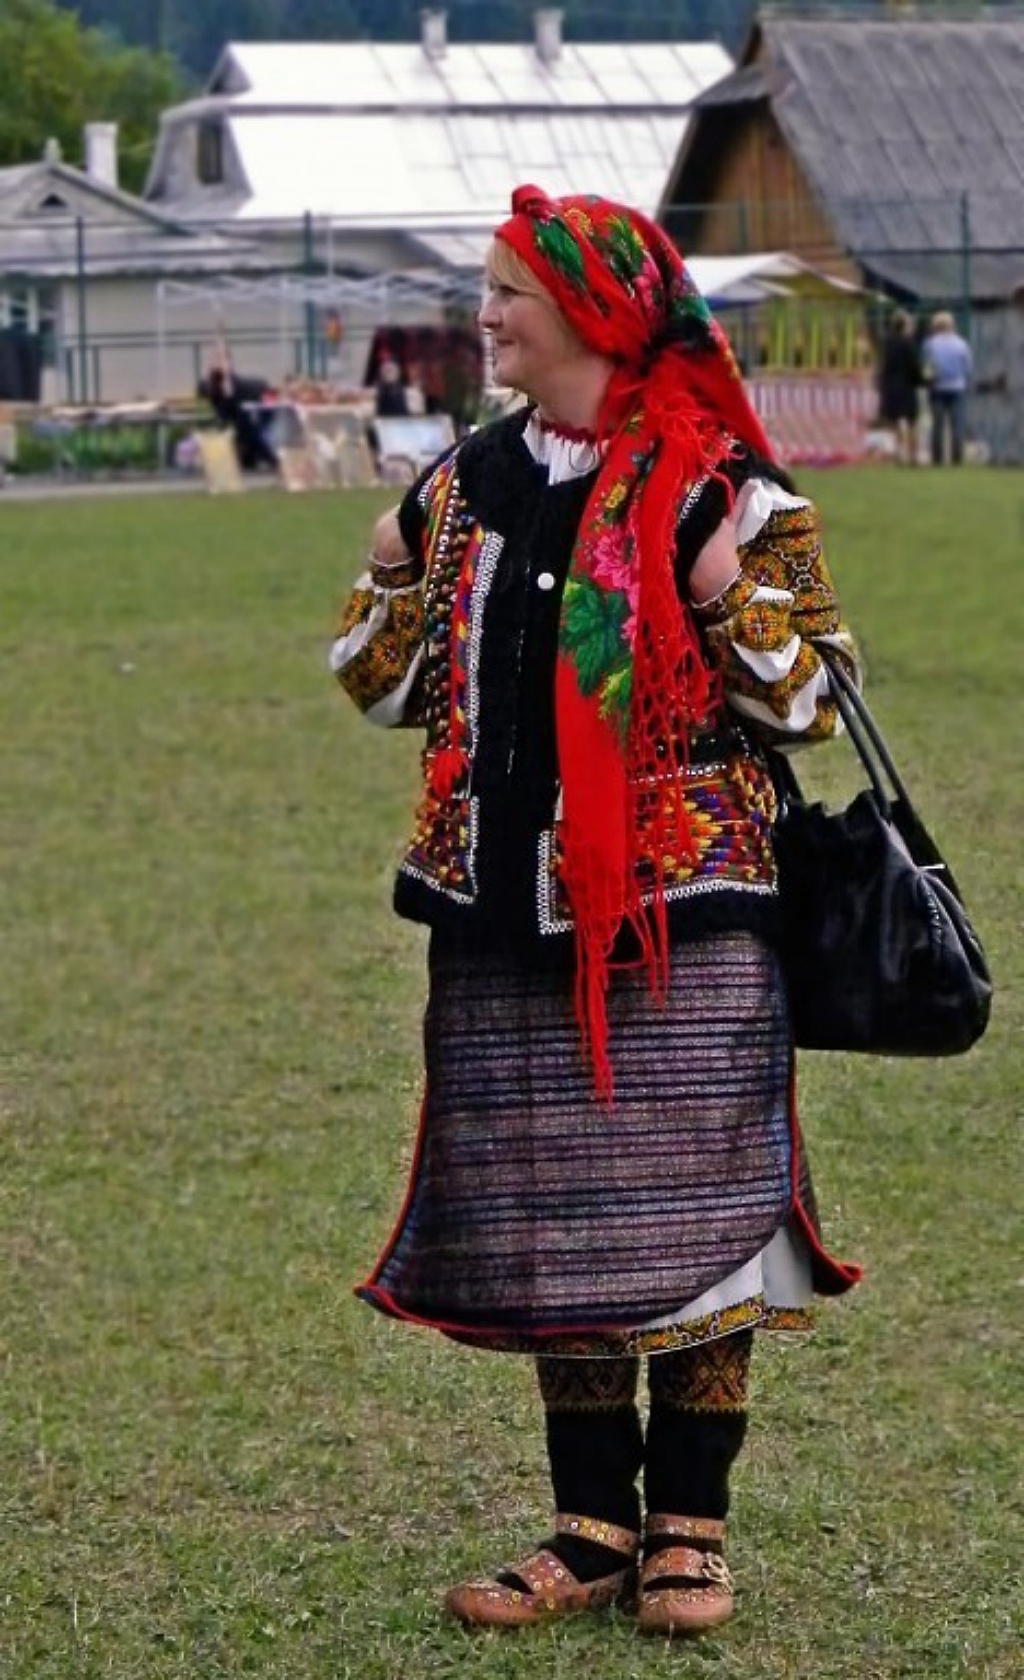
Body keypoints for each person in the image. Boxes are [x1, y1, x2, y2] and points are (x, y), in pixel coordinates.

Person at [330, 184, 862, 1638]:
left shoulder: (728, 491)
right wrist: (389, 577)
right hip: (500, 911)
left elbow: (816, 701)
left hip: (686, 917)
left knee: (701, 1217)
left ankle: (689, 1528)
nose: (486, 315)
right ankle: (588, 1529)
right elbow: (381, 692)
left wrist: (723, 591)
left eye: (508, 292)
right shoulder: (460, 487)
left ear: (591, 312)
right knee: (554, 1215)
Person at [199, 358, 278, 472]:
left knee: (251, 434)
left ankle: (269, 460)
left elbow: (226, 409)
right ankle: (252, 460)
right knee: (247, 435)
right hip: (246, 407)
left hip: (254, 405)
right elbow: (222, 409)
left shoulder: (228, 385)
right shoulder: (216, 387)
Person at [921, 310, 973, 466]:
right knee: (957, 424)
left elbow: (926, 367)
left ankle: (937, 458)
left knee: (938, 425)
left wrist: (928, 382)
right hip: (957, 387)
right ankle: (957, 457)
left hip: (937, 388)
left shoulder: (929, 344)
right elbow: (968, 367)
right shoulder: (961, 343)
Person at [877, 308, 924, 465]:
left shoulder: (887, 343)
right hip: (907, 386)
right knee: (912, 422)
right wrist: (922, 380)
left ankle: (898, 454)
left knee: (895, 422)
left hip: (891, 386)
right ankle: (913, 456)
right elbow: (914, 366)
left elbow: (884, 366)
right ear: (904, 325)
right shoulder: (908, 343)